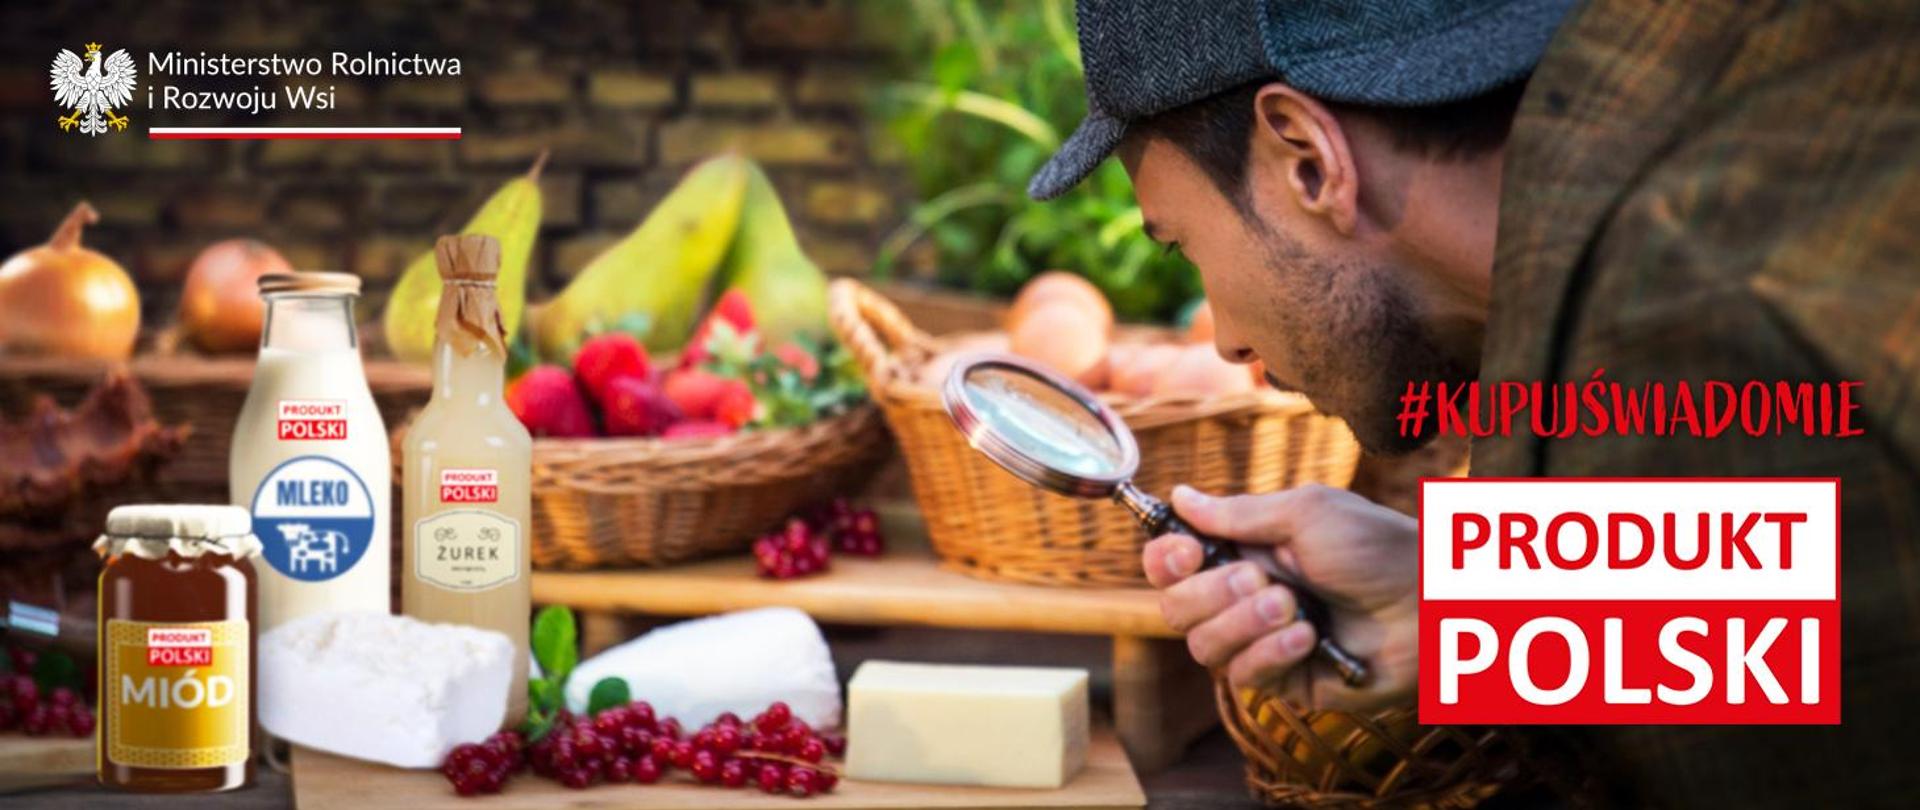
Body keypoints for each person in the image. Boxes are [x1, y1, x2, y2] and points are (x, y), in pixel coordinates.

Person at [1028, 0, 1920, 806]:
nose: (1224, 340)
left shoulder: (1676, 313)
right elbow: (1840, 586)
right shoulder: (1709, 118)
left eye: (1184, 246)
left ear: (1307, 158)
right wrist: (1450, 596)